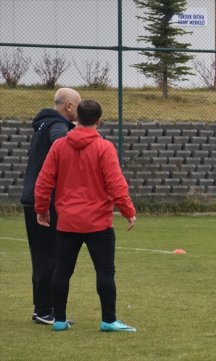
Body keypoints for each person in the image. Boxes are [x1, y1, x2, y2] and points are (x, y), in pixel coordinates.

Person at [35, 100, 137, 332]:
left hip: (68, 222)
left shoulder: (59, 146)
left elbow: (44, 182)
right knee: (104, 271)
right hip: (98, 223)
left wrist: (42, 210)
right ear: (99, 121)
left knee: (62, 271)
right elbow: (116, 184)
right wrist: (128, 211)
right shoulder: (104, 147)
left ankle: (59, 319)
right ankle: (108, 320)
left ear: (76, 119)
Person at [20, 87, 80, 325]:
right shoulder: (57, 126)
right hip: (44, 200)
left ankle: (43, 308)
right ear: (68, 106)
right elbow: (61, 143)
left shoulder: (43, 124)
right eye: (77, 104)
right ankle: (44, 311)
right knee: (50, 255)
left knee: (42, 255)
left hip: (33, 198)